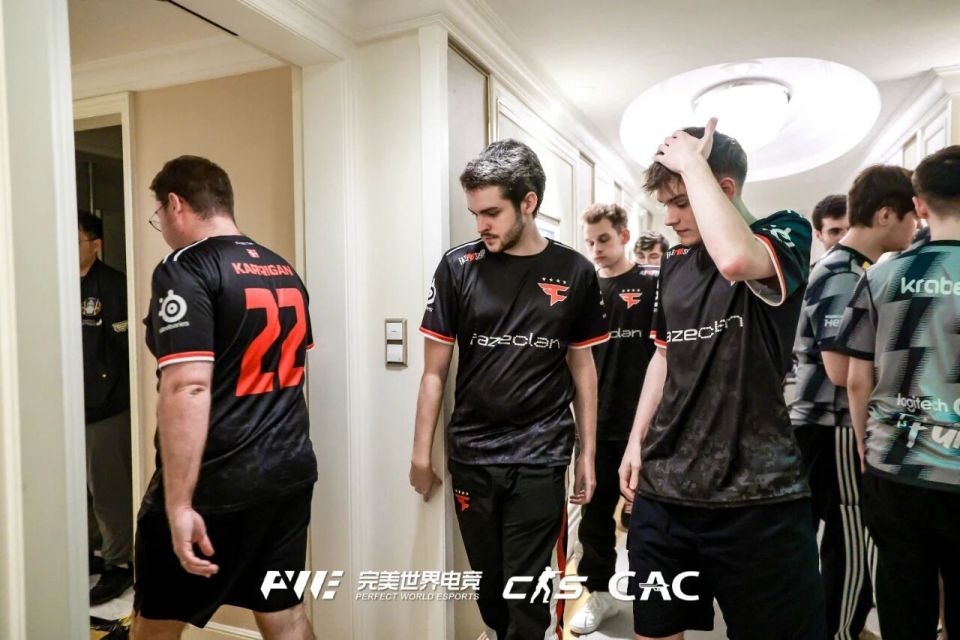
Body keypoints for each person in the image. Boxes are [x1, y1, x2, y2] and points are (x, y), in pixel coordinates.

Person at [618, 119, 826, 640]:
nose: (669, 219)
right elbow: (663, 356)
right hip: (666, 492)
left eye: (680, 202)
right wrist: (635, 441)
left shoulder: (785, 231)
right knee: (653, 629)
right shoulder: (675, 262)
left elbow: (736, 260)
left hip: (759, 498)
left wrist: (693, 163)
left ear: (723, 188)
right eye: (665, 205)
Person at [409, 139, 608, 640]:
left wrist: (587, 454)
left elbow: (582, 366)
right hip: (472, 455)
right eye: (475, 214)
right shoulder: (457, 267)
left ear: (528, 203)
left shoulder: (576, 272)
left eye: (492, 212)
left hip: (541, 455)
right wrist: (420, 455)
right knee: (490, 589)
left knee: (528, 593)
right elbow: (433, 372)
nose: (481, 225)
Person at [132, 156, 317, 640]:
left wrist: (179, 504)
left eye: (158, 215)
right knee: (285, 613)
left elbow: (187, 385)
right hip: (288, 471)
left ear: (176, 205)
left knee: (155, 625)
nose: (161, 226)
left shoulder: (185, 267)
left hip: (218, 481)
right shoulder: (282, 269)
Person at [838, 145, 960, 640]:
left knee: (904, 600)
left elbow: (856, 378)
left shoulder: (880, 276)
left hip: (896, 464)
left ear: (921, 205)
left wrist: (864, 445)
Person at [790, 167, 917, 640]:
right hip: (836, 424)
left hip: (831, 422)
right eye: (911, 216)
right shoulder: (843, 273)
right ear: (885, 215)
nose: (916, 226)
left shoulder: (854, 268)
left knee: (847, 541)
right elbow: (841, 372)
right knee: (853, 541)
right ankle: (841, 631)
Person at [569, 203, 659, 635]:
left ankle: (654, 599)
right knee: (595, 519)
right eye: (589, 242)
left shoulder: (652, 285)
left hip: (647, 427)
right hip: (597, 426)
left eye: (603, 239)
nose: (596, 249)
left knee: (648, 520)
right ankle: (599, 594)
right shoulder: (583, 288)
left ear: (624, 236)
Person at [79, 210, 134, 605]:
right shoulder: (56, 284)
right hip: (68, 408)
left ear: (95, 245)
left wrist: (106, 396)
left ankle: (118, 562)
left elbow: (123, 352)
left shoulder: (113, 286)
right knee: (77, 488)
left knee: (108, 489)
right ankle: (91, 551)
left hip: (106, 409)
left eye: (75, 241)